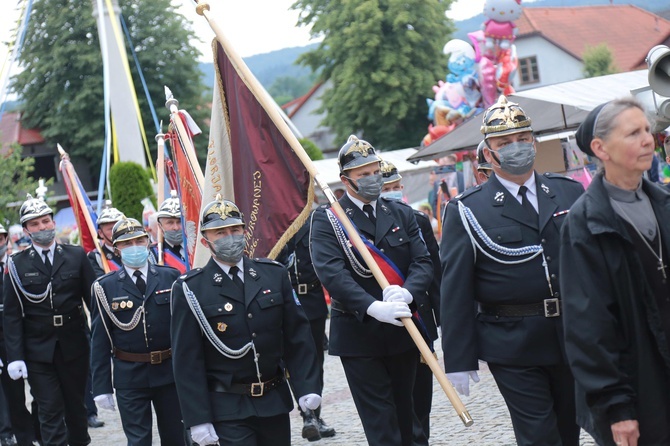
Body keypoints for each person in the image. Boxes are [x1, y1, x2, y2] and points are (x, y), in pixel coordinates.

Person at [440, 96, 584, 446]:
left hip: (572, 333)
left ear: (533, 143)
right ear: (488, 154)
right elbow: (456, 286)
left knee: (569, 430)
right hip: (512, 341)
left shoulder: (569, 193)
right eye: (505, 143)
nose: (516, 148)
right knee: (538, 435)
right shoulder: (467, 210)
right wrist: (459, 358)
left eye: (522, 139)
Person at [310, 136, 433, 446]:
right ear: (345, 179)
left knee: (410, 418)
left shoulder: (401, 214)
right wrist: (371, 306)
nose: (372, 178)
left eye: (374, 170)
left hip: (404, 331)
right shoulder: (328, 220)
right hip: (359, 335)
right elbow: (332, 273)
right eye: (362, 173)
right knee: (382, 425)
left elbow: (423, 262)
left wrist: (408, 293)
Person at [560, 98, 670, 446]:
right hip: (637, 386)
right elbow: (588, 325)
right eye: (633, 133)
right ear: (600, 148)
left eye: (648, 130)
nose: (648, 140)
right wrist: (617, 407)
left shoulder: (664, 203)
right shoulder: (585, 222)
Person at [170, 197, 321, 446]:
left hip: (273, 401)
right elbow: (187, 360)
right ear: (206, 240)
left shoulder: (273, 274)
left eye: (235, 229)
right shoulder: (191, 288)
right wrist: (197, 419)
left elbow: (297, 336)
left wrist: (306, 386)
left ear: (244, 231)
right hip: (226, 406)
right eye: (220, 232)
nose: (230, 237)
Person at [3, 194, 96, 446]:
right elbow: (11, 315)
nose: (42, 227)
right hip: (38, 349)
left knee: (76, 408)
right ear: (25, 230)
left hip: (74, 344)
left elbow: (93, 303)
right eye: (34, 224)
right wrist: (15, 356)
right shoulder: (17, 264)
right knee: (49, 407)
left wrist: (100, 343)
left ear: (53, 223)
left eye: (45, 221)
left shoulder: (76, 256)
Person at [90, 218, 184, 445]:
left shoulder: (170, 277)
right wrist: (101, 387)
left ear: (149, 241)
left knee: (177, 438)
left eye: (139, 240)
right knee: (138, 441)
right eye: (126, 243)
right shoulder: (105, 287)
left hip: (169, 372)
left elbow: (184, 331)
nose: (134, 247)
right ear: (116, 248)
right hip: (130, 375)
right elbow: (100, 340)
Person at [380, 159, 440, 445]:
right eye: (385, 188)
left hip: (418, 316)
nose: (392, 192)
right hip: (383, 321)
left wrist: (442, 320)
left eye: (395, 187)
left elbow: (434, 272)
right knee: (393, 402)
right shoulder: (357, 227)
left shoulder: (415, 219)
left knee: (420, 397)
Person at [277, 218, 336, 442]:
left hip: (311, 299)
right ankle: (304, 414)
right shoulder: (272, 220)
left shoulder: (313, 221)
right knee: (290, 360)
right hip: (281, 300)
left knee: (314, 360)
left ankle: (314, 415)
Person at [0, 224, 37, 446]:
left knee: (26, 392)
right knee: (6, 393)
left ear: (6, 240)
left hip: (21, 337)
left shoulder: (16, 265)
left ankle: (31, 434)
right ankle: (6, 434)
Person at [87, 201, 125, 276]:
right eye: (111, 229)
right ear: (100, 233)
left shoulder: (136, 249)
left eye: (120, 227)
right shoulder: (96, 257)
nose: (116, 231)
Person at [153, 190, 186, 273]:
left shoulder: (196, 250)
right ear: (160, 226)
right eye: (170, 222)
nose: (175, 227)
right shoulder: (152, 254)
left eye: (179, 221)